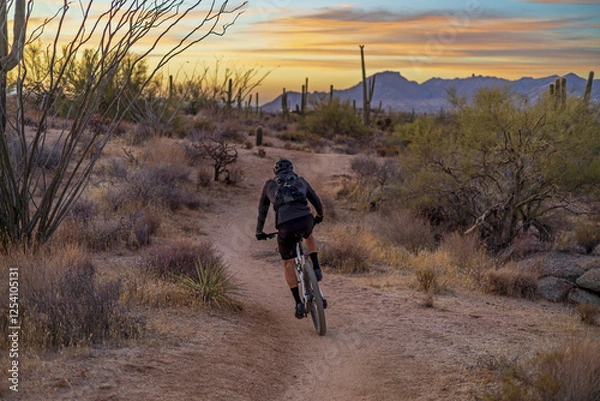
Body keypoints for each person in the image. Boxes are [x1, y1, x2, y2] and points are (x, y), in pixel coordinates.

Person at [256, 158, 324, 319]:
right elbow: (315, 199)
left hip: (285, 225)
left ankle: (298, 303)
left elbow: (262, 211)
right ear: (292, 170)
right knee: (308, 234)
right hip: (305, 219)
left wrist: (259, 231)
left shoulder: (269, 185)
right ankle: (316, 267)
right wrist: (320, 215)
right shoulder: (300, 180)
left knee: (288, 262)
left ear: (275, 173)